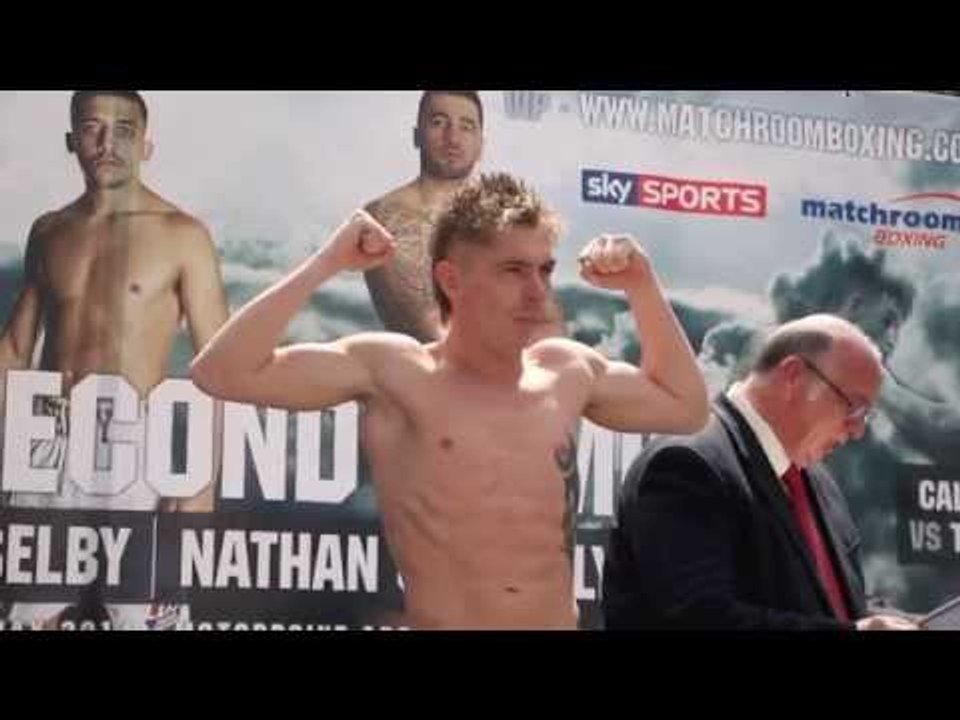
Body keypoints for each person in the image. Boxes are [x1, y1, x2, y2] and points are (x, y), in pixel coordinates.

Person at [191, 172, 708, 629]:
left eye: (545, 270)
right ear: (451, 280)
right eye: (513, 271)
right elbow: (221, 372)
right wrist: (327, 263)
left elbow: (685, 408)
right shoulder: (397, 373)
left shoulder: (566, 370)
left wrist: (641, 285)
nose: (537, 292)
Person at [0, 90, 229, 629]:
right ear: (71, 140)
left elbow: (219, 363)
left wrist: (200, 478)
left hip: (137, 447)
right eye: (92, 128)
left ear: (146, 145)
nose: (108, 143)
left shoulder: (183, 235)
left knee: (141, 617)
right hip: (48, 443)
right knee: (27, 618)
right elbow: (14, 350)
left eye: (124, 129)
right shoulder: (49, 230)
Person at [602, 314, 918, 630]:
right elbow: (701, 617)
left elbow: (832, 603)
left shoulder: (817, 480)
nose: (858, 430)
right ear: (793, 377)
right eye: (853, 407)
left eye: (866, 415)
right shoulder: (687, 464)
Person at [363, 91, 484, 341]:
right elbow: (420, 328)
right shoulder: (381, 218)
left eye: (466, 127)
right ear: (417, 136)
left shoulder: (507, 219)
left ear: (481, 143)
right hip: (419, 362)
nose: (453, 138)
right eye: (439, 122)